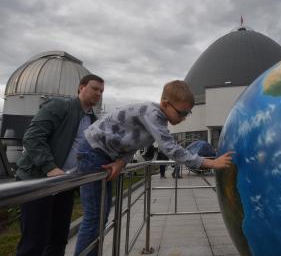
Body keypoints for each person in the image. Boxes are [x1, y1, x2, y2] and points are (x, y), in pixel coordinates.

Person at [74, 80, 233, 255]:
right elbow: (170, 148)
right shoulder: (153, 114)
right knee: (95, 216)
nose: (184, 118)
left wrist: (121, 162)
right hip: (93, 152)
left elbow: (131, 142)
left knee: (101, 215)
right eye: (182, 113)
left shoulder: (156, 119)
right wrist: (210, 163)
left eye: (188, 113)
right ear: (165, 104)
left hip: (104, 154)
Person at [15, 74, 104, 256]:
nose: (98, 94)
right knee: (34, 242)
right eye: (95, 88)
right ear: (81, 87)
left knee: (58, 240)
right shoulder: (60, 106)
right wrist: (50, 168)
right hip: (39, 181)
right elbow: (32, 137)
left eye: (101, 91)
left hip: (65, 185)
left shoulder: (93, 121)